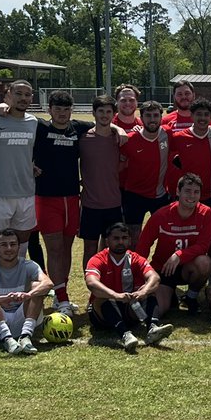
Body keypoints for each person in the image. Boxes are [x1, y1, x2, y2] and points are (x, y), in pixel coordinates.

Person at [32, 90, 91, 315]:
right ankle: (62, 297)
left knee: (66, 249)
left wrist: (116, 129)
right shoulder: (39, 127)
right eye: (58, 109)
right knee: (54, 249)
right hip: (46, 198)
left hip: (72, 197)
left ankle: (60, 294)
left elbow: (103, 124)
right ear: (49, 110)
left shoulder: (77, 128)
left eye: (66, 110)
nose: (62, 114)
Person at [136, 172, 211, 321]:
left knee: (205, 262)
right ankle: (167, 298)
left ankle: (191, 297)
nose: (192, 196)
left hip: (187, 268)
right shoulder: (161, 215)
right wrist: (140, 277)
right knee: (161, 308)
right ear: (178, 191)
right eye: (188, 191)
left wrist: (178, 255)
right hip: (163, 269)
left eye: (196, 192)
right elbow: (142, 247)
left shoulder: (206, 213)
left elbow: (203, 246)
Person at [84, 222, 167, 352]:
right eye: (116, 238)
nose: (120, 242)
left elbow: (155, 278)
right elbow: (91, 283)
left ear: (129, 241)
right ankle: (125, 335)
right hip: (102, 314)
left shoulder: (135, 258)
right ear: (107, 241)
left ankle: (153, 328)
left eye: (124, 238)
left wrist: (144, 291)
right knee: (102, 299)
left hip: (128, 307)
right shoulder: (98, 259)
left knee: (150, 292)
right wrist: (115, 295)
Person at [0, 80, 39, 261]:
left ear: (32, 98)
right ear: (8, 96)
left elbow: (32, 154)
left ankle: (15, 285)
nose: (23, 98)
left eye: (27, 95)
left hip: (26, 193)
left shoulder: (34, 122)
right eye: (18, 94)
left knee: (20, 247)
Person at [79, 95, 128, 310]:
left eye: (109, 112)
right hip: (90, 204)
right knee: (90, 248)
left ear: (113, 114)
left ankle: (109, 287)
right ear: (94, 113)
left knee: (111, 248)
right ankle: (93, 291)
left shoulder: (119, 139)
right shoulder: (83, 138)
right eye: (101, 111)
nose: (105, 115)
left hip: (113, 203)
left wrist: (120, 130)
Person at [0, 228, 54, 355]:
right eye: (4, 245)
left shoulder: (29, 265)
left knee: (37, 286)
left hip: (23, 320)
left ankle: (25, 337)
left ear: (19, 247)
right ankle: (6, 338)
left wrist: (28, 295)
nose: (9, 248)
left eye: (13, 244)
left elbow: (48, 283)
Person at [168, 97, 211, 247]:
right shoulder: (179, 137)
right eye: (199, 114)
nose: (202, 118)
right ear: (192, 115)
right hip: (188, 196)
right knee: (186, 237)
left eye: (206, 115)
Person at [119, 100, 171, 236]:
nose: (152, 120)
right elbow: (119, 165)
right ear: (141, 118)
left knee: (164, 235)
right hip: (134, 196)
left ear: (161, 117)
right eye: (148, 116)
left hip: (160, 195)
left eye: (155, 115)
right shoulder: (129, 140)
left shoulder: (168, 134)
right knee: (133, 237)